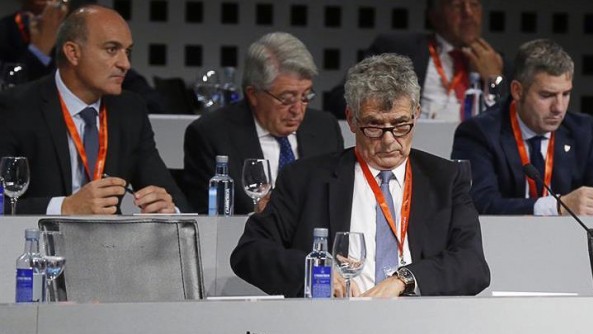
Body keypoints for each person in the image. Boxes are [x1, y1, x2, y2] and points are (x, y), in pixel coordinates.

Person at [230, 53, 490, 298]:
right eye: (374, 126)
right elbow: (250, 252)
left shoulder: (444, 179)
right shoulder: (305, 179)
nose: (389, 141)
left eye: (401, 125)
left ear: (416, 115)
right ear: (351, 120)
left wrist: (404, 280)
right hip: (332, 325)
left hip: (419, 323)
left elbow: (472, 264)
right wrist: (314, 271)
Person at [0, 5, 188, 214]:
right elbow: (3, 203)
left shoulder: (129, 110)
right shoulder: (15, 108)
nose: (125, 64)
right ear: (73, 53)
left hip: (110, 244)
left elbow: (171, 196)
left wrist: (169, 209)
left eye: (128, 52)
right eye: (111, 49)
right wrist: (64, 207)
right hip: (35, 242)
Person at [451, 39, 593, 215]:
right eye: (547, 95)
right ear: (517, 91)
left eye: (565, 94)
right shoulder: (479, 133)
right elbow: (480, 204)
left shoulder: (580, 130)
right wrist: (558, 206)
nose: (558, 108)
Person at [183, 32, 344, 215]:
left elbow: (339, 203)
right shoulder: (211, 135)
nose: (298, 110)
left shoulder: (325, 128)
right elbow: (206, 218)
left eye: (306, 96)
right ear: (253, 94)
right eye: (286, 98)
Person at [324, 0, 510, 121]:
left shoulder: (496, 60)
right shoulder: (399, 49)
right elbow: (340, 99)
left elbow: (511, 123)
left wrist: (495, 78)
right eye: (456, 5)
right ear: (434, 14)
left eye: (475, 5)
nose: (468, 13)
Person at [0, 0, 166, 113]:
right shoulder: (5, 32)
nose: (124, 64)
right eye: (111, 49)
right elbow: (14, 103)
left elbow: (152, 103)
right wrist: (39, 51)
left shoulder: (83, 33)